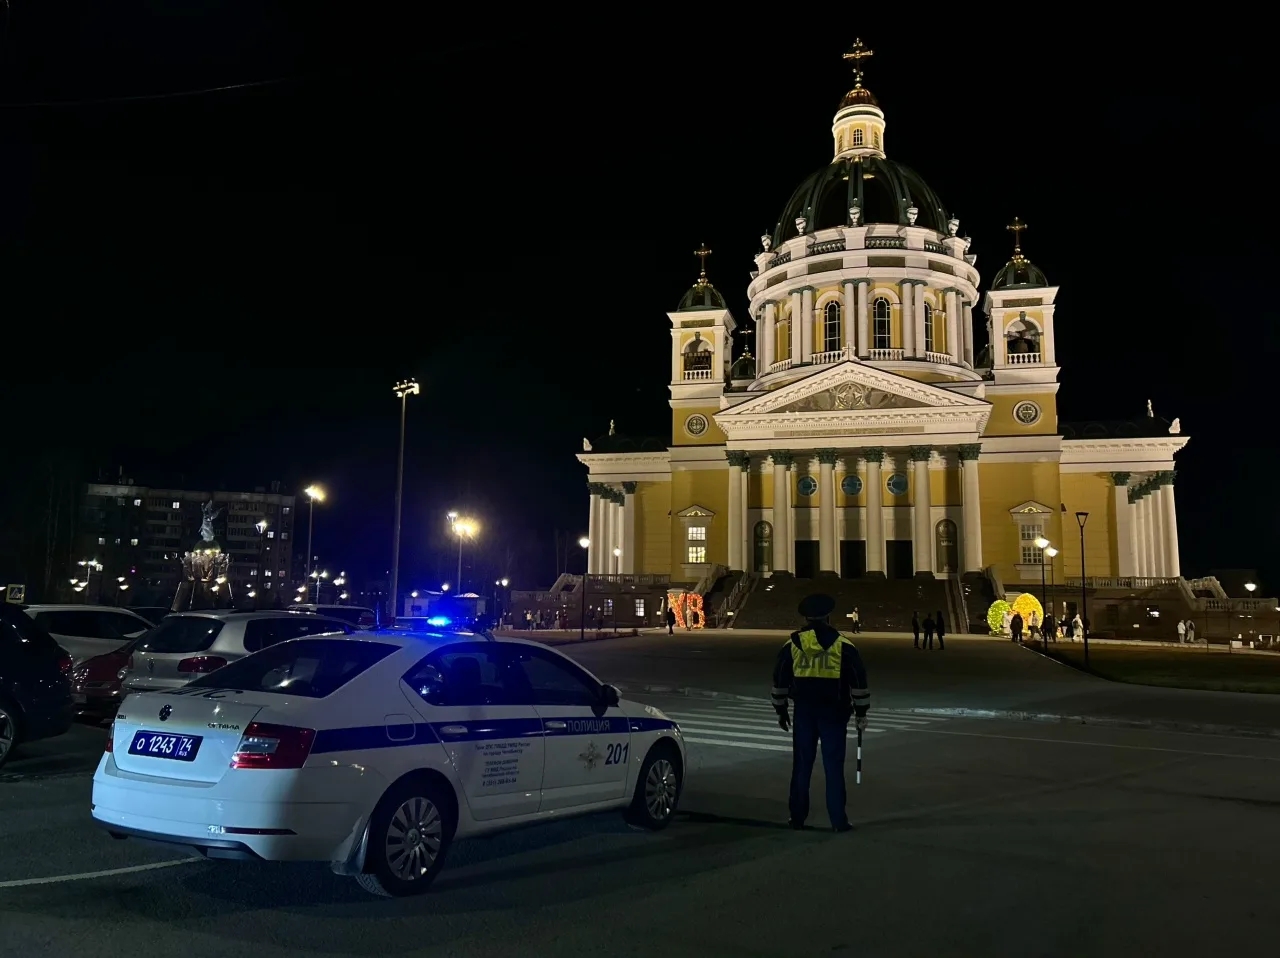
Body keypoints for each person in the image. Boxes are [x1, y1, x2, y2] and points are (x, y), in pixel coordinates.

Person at [771, 594, 870, 833]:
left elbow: (780, 679)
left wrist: (781, 709)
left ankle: (797, 818)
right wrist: (861, 712)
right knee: (833, 767)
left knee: (802, 766)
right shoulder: (844, 646)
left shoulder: (792, 645)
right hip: (834, 714)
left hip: (803, 713)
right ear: (828, 616)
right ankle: (838, 821)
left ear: (805, 617)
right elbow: (858, 680)